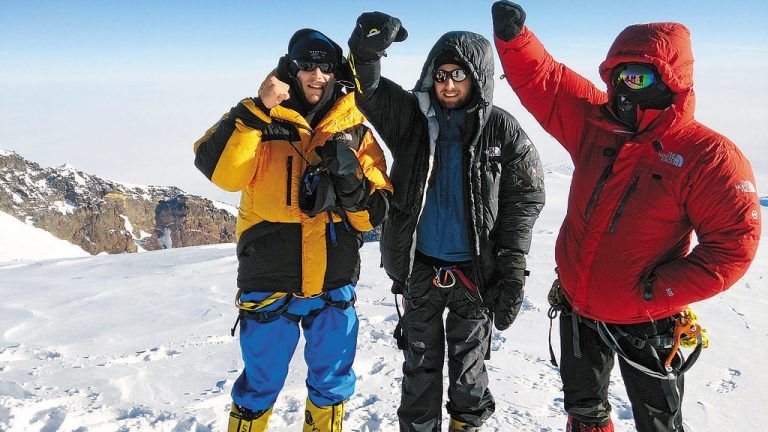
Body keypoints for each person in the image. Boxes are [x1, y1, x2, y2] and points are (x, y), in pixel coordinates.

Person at [491, 2, 762, 431]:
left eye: (637, 76)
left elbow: (733, 246)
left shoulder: (707, 157)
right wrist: (515, 40)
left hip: (648, 321)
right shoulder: (596, 124)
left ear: (670, 80)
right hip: (578, 306)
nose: (622, 87)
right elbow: (549, 83)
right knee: (584, 413)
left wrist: (657, 291)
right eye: (617, 75)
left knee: (658, 423)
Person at [347, 12, 545, 432]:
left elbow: (525, 196)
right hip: (421, 269)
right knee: (419, 367)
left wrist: (511, 267)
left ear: (478, 78)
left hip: (474, 273)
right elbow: (371, 91)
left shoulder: (501, 129)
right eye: (441, 74)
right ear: (430, 75)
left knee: (469, 370)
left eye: (459, 74)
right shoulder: (411, 120)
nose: (449, 84)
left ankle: (465, 426)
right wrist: (366, 51)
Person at [193, 28, 392, 432]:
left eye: (326, 66)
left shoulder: (355, 131)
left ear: (337, 72)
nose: (317, 75)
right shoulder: (259, 120)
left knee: (331, 382)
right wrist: (254, 111)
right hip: (270, 278)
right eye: (307, 65)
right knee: (260, 384)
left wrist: (351, 183)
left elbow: (373, 217)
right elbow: (221, 172)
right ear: (291, 68)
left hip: (333, 281)